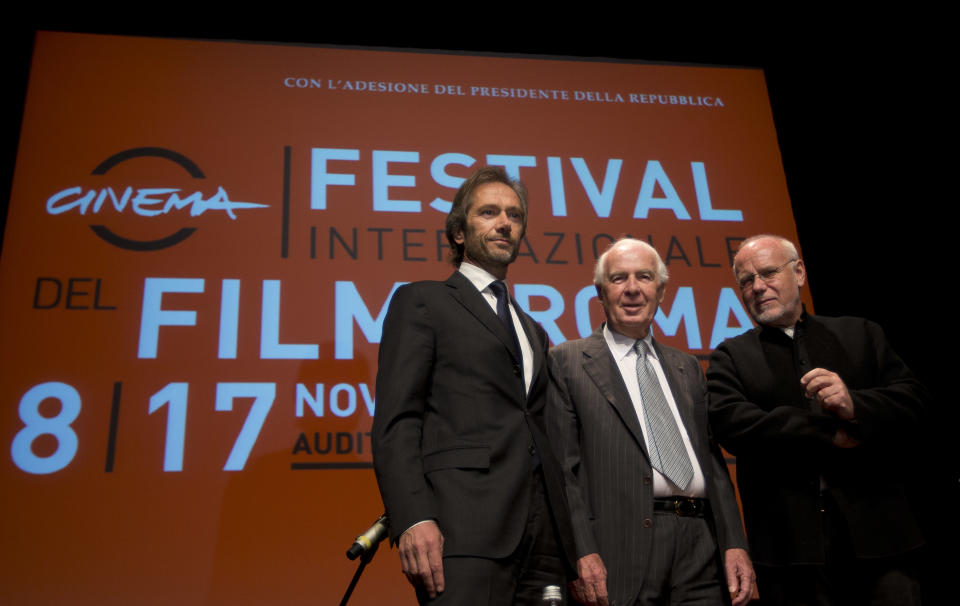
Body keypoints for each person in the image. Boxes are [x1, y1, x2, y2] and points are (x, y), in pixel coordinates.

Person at [371, 166, 576, 605]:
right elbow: (397, 420)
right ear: (459, 232)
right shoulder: (422, 300)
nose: (505, 222)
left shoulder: (532, 328)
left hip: (543, 541)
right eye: (489, 212)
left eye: (515, 215)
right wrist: (412, 518)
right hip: (462, 530)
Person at [707, 234, 927, 605]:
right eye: (746, 281)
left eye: (768, 273)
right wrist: (827, 432)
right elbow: (733, 424)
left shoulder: (860, 334)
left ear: (800, 272)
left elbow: (913, 402)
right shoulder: (730, 356)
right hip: (788, 550)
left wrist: (855, 404)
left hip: (882, 537)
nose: (758, 287)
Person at [548, 237, 754, 606]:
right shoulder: (568, 361)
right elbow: (564, 472)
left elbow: (713, 465)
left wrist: (734, 542)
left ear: (660, 290)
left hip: (701, 544)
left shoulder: (687, 366)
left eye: (643, 277)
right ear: (600, 292)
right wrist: (581, 550)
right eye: (618, 279)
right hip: (619, 549)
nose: (631, 289)